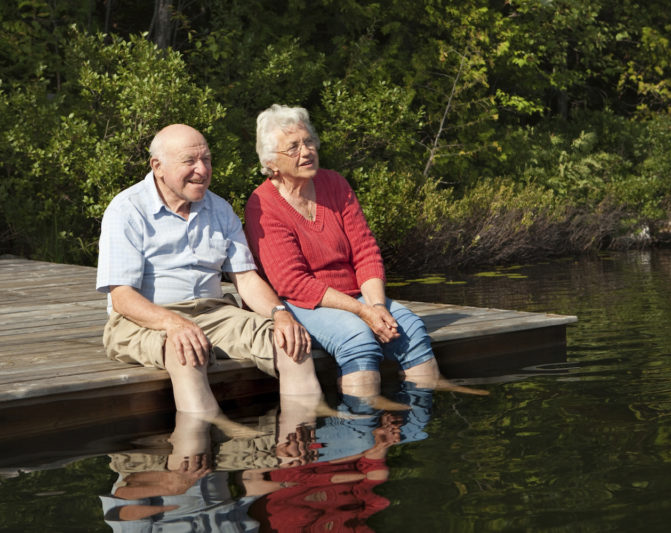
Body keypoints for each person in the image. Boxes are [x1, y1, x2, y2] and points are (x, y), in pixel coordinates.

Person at [244, 105, 483, 406]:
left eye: (309, 142)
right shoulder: (262, 204)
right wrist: (362, 312)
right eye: (293, 147)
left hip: (356, 295)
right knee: (358, 338)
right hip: (303, 303)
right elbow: (292, 283)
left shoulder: (335, 184)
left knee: (409, 328)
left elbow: (365, 251)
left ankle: (421, 413)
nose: (306, 151)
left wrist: (377, 305)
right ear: (271, 162)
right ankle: (363, 426)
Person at [96, 124, 325, 430]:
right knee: (184, 350)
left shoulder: (219, 209)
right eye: (190, 162)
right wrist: (173, 324)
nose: (202, 170)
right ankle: (203, 441)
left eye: (206, 160)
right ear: (158, 166)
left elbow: (245, 279)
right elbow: (123, 298)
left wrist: (280, 313)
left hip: (213, 312)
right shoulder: (126, 210)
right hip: (143, 319)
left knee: (290, 342)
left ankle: (301, 440)